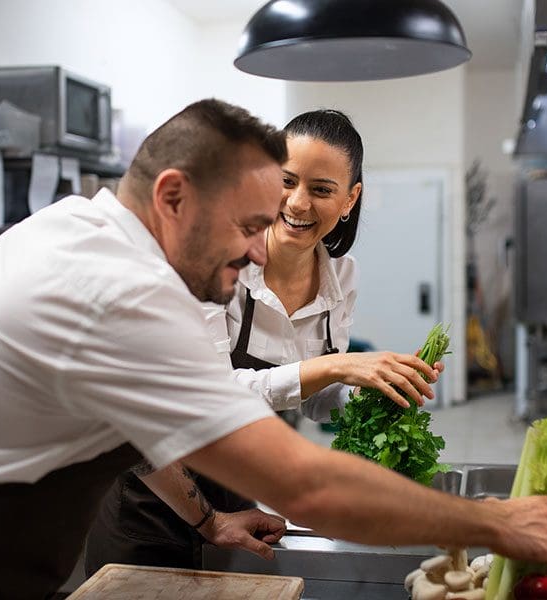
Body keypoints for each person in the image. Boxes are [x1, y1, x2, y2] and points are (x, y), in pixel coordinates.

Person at [0, 99, 547, 600]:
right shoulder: (119, 293)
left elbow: (149, 426)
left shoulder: (91, 234)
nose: (256, 254)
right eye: (250, 226)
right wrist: (492, 524)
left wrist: (208, 523)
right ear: (173, 196)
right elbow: (304, 484)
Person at [85, 108, 447, 572]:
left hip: (236, 483)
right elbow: (212, 398)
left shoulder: (341, 278)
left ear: (350, 199)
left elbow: (316, 403)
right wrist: (337, 366)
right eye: (287, 181)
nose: (297, 203)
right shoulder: (221, 262)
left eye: (321, 190)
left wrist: (375, 384)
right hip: (152, 502)